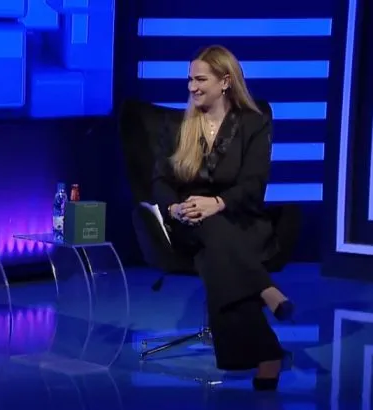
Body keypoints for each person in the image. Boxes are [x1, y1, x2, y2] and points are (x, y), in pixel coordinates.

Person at [151, 45, 294, 391]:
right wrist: (173, 208)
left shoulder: (253, 123)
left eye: (200, 80)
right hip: (187, 221)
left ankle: (266, 350)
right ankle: (263, 290)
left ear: (225, 81)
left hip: (239, 220)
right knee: (206, 226)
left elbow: (254, 183)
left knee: (215, 253)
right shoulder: (179, 125)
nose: (192, 87)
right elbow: (159, 181)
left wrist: (218, 202)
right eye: (190, 79)